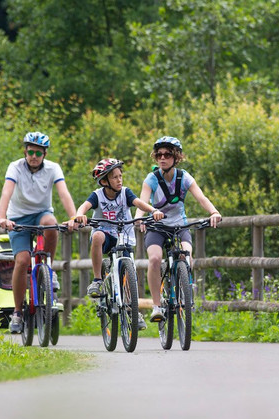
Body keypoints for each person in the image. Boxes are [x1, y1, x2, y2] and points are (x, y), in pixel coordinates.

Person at [134, 136, 221, 322]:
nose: (162, 158)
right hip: (157, 228)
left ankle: (185, 291)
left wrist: (214, 212)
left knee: (187, 257)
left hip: (180, 226)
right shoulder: (151, 179)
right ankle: (157, 306)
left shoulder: (184, 177)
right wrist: (138, 220)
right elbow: (141, 203)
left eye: (167, 154)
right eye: (159, 155)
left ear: (176, 157)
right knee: (155, 259)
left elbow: (201, 198)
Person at [0, 131, 77, 334]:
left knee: (51, 223)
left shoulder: (53, 168)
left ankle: (46, 267)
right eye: (30, 152)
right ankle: (17, 312)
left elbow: (63, 193)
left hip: (41, 214)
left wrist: (74, 217)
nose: (33, 156)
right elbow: (6, 191)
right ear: (25, 151)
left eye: (38, 153)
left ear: (45, 154)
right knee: (22, 261)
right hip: (18, 219)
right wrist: (2, 217)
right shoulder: (15, 167)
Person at [73, 158, 164, 330]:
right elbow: (84, 207)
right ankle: (98, 280)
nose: (119, 180)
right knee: (98, 235)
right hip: (106, 235)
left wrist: (153, 210)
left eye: (120, 176)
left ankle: (132, 310)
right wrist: (80, 215)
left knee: (129, 270)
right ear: (104, 181)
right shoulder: (98, 195)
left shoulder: (125, 193)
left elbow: (138, 202)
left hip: (124, 235)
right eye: (114, 177)